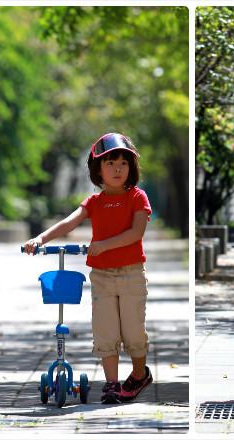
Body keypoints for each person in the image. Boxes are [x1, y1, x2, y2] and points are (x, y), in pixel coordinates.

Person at [24, 132, 153, 403]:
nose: (117, 169)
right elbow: (69, 222)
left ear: (131, 168)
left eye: (123, 163)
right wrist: (40, 239)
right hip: (102, 276)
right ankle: (112, 385)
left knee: (133, 332)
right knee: (105, 330)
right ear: (98, 169)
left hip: (131, 273)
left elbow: (135, 233)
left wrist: (104, 244)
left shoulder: (137, 197)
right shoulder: (94, 202)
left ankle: (140, 374)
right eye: (110, 163)